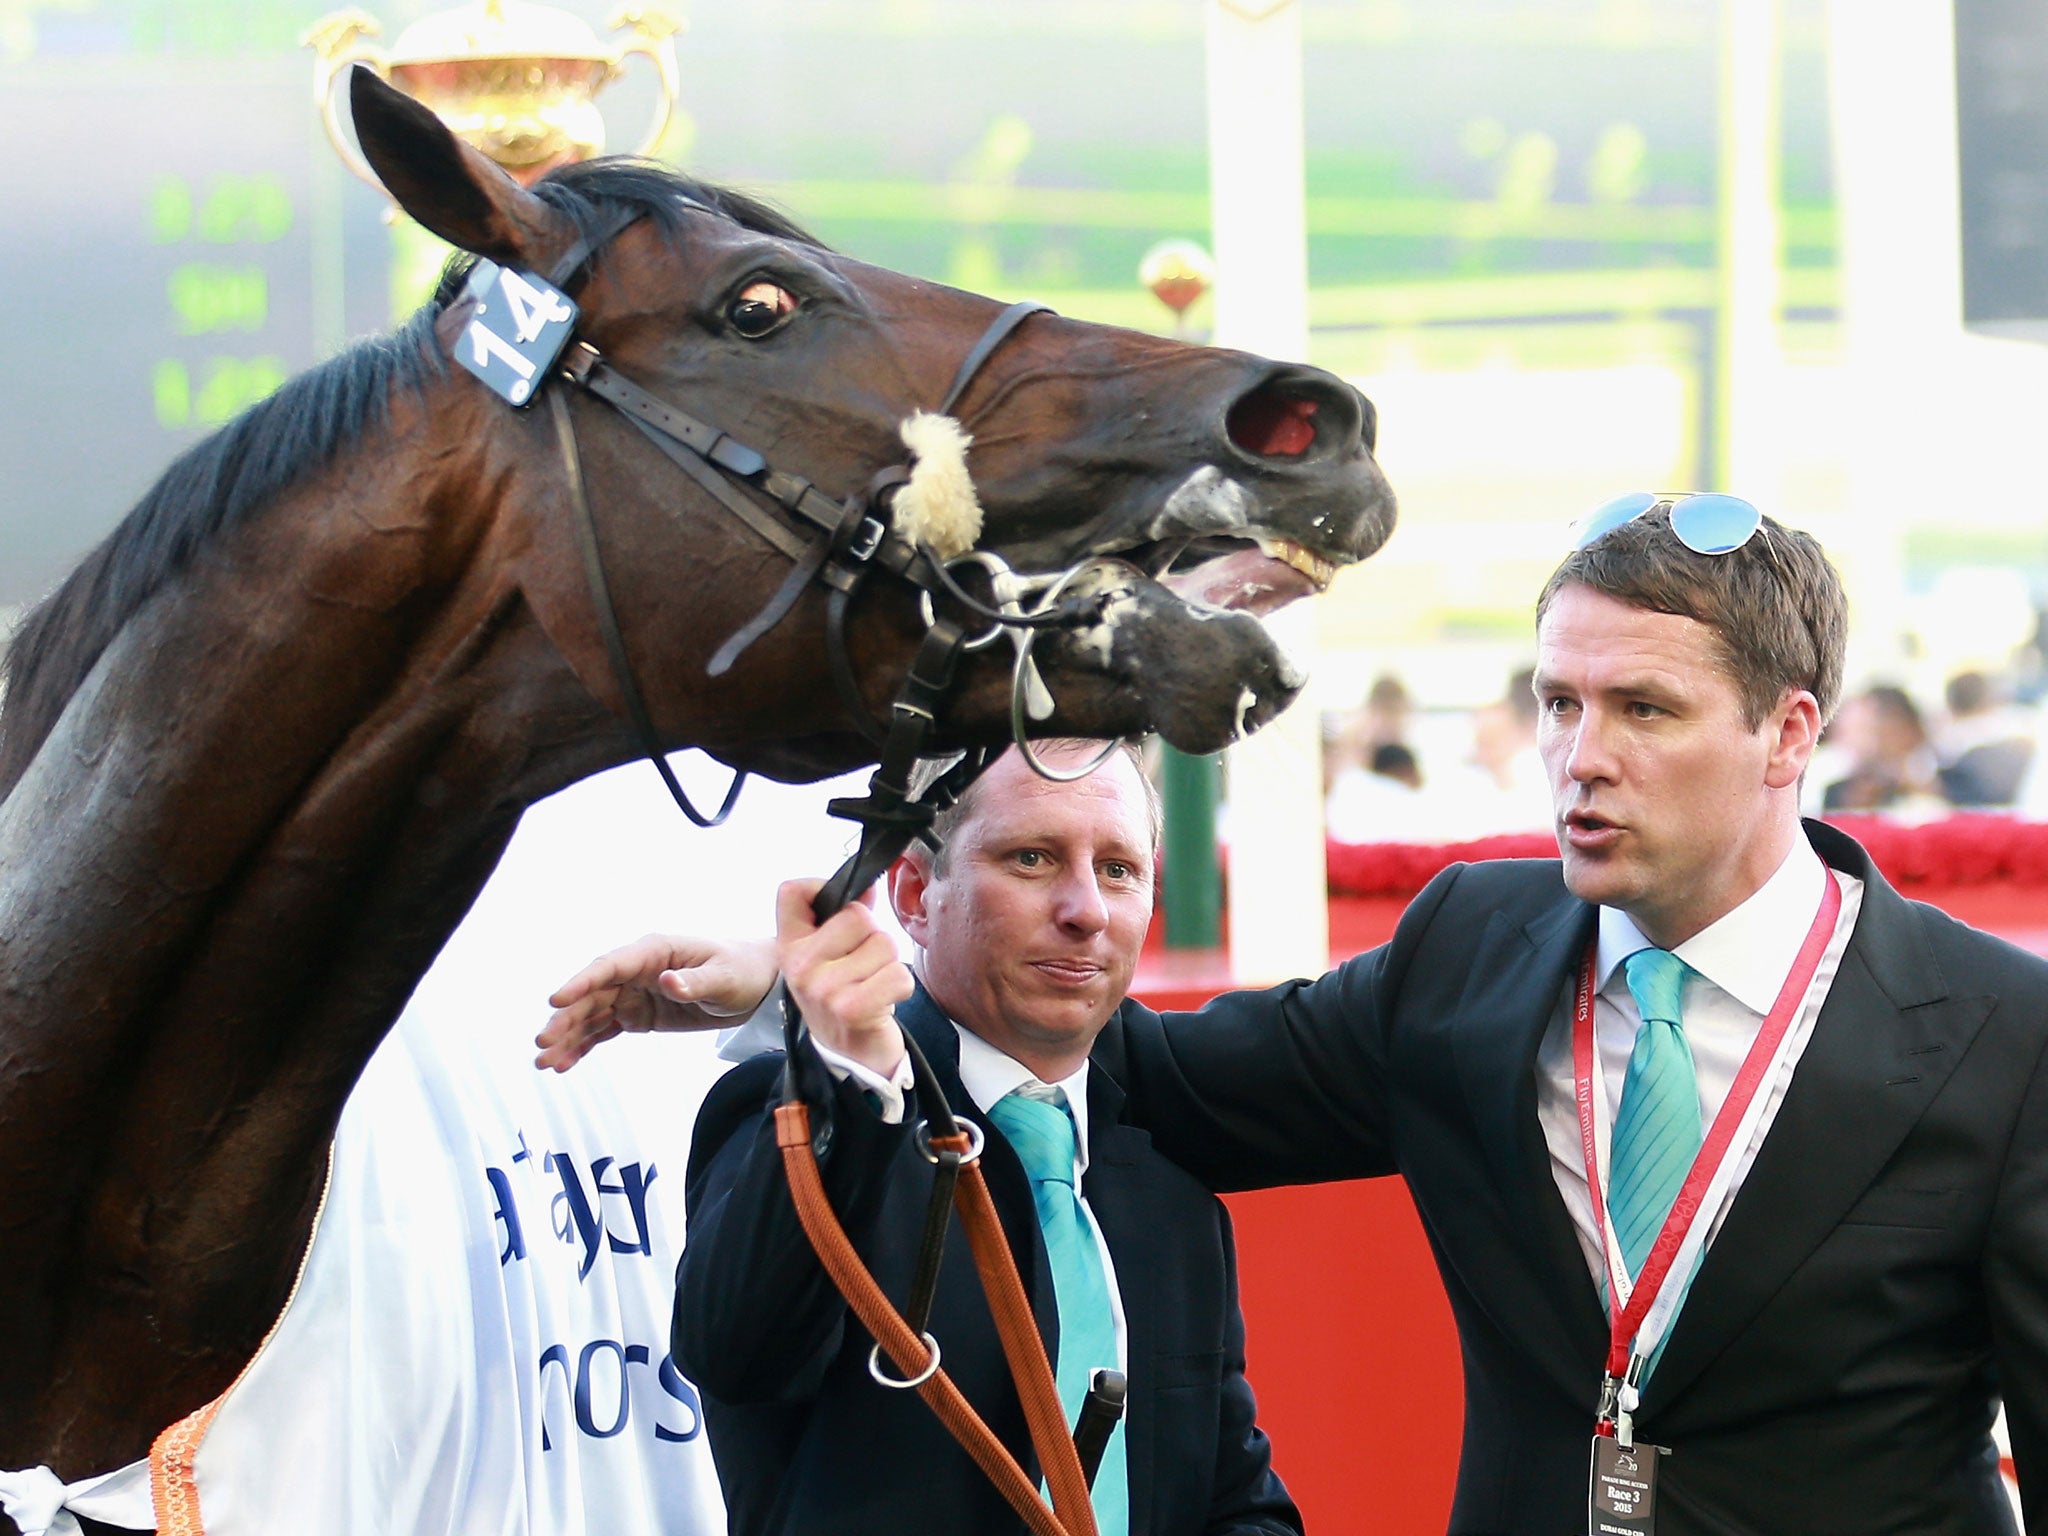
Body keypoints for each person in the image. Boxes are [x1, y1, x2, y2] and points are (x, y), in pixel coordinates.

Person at [543, 502, 2047, 1534]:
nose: (1580, 757)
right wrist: (825, 995)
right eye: (1559, 702)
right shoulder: (1474, 950)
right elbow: (1128, 1060)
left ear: (1790, 732)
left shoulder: (2001, 1034)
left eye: (1642, 710)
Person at [562, 741, 1299, 1536]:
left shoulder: (1165, 1177)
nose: (1086, 908)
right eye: (1032, 858)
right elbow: (738, 1353)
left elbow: (1235, 1501)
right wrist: (850, 1071)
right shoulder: (806, 1113)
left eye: (1119, 869)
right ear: (914, 894)